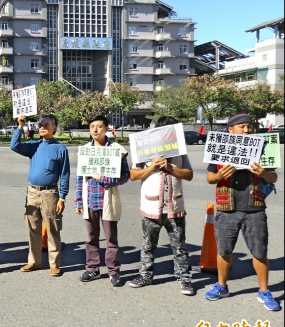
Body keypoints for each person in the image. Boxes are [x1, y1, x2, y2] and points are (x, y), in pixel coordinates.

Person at [205, 113, 280, 311]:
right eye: (241, 127)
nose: (246, 130)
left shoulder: (263, 147)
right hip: (226, 207)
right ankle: (221, 285)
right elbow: (210, 177)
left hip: (254, 208)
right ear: (231, 130)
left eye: (249, 127)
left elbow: (273, 178)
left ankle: (264, 291)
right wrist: (220, 174)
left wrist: (263, 173)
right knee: (224, 250)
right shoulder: (220, 148)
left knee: (259, 252)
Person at [127, 116, 195, 295]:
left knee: (179, 246)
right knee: (148, 245)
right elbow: (133, 175)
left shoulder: (180, 151)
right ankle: (146, 275)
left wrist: (171, 168)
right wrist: (151, 167)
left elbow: (189, 174)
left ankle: (184, 278)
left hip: (175, 207)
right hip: (151, 207)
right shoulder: (145, 150)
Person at [10, 113, 70, 277]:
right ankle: (34, 262)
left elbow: (64, 175)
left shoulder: (60, 149)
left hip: (50, 193)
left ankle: (54, 264)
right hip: (32, 192)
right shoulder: (34, 145)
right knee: (32, 227)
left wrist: (62, 197)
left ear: (54, 128)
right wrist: (20, 127)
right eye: (40, 125)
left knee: (52, 228)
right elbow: (14, 146)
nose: (42, 127)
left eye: (46, 125)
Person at [75, 114, 130, 287]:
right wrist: (78, 201)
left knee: (111, 239)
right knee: (91, 238)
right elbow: (79, 178)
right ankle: (92, 268)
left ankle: (113, 271)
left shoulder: (116, 149)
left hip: (107, 201)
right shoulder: (85, 149)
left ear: (106, 128)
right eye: (92, 126)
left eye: (99, 126)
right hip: (90, 200)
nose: (95, 130)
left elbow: (125, 176)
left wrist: (104, 179)